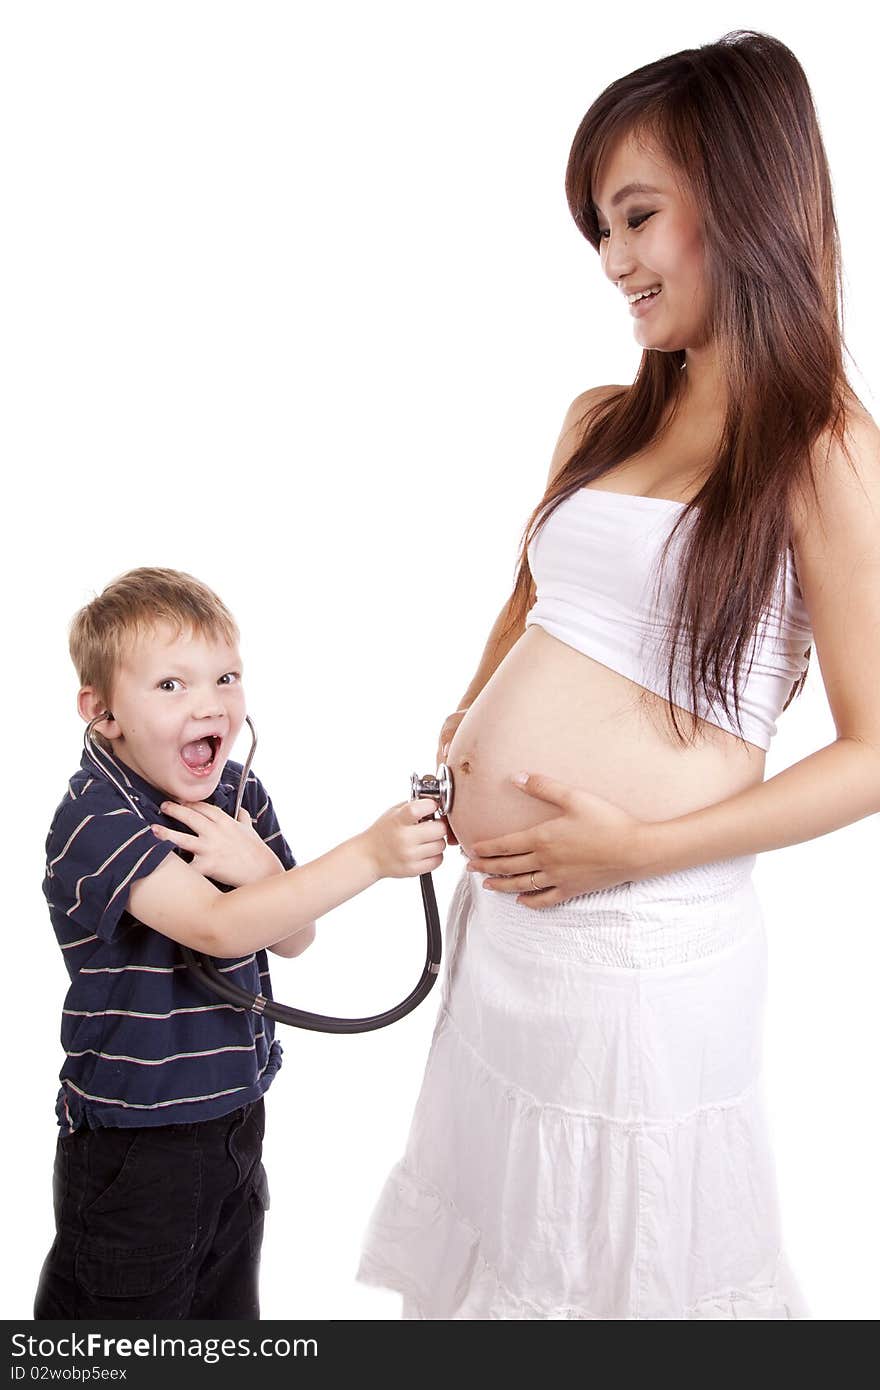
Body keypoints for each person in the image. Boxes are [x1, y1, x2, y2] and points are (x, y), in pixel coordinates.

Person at [356, 29, 880, 1319]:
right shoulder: (605, 415)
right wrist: (462, 742)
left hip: (642, 954)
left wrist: (639, 847)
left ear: (747, 198)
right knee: (504, 1246)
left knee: (622, 1277)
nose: (612, 262)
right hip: (511, 938)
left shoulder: (821, 449)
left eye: (636, 216)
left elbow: (875, 753)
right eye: (598, 227)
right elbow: (528, 597)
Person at [34, 566, 447, 1320]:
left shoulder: (233, 793)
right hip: (137, 1144)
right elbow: (218, 927)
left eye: (226, 677)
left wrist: (257, 864)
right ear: (102, 713)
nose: (209, 705)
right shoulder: (97, 819)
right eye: (171, 686)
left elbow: (293, 936)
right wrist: (370, 856)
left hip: (235, 1119)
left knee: (222, 1319)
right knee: (116, 1336)